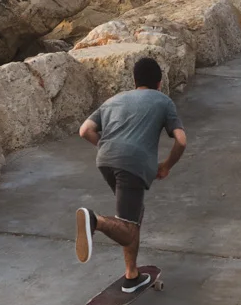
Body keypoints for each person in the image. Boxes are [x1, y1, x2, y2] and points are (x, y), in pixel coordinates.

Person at [75, 55, 187, 292]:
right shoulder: (163, 101)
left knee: (133, 215)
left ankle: (131, 274)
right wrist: (166, 165)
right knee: (127, 229)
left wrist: (107, 147)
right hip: (133, 164)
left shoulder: (114, 100)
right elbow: (181, 140)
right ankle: (94, 220)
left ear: (134, 81)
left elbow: (85, 130)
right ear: (159, 83)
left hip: (105, 160)